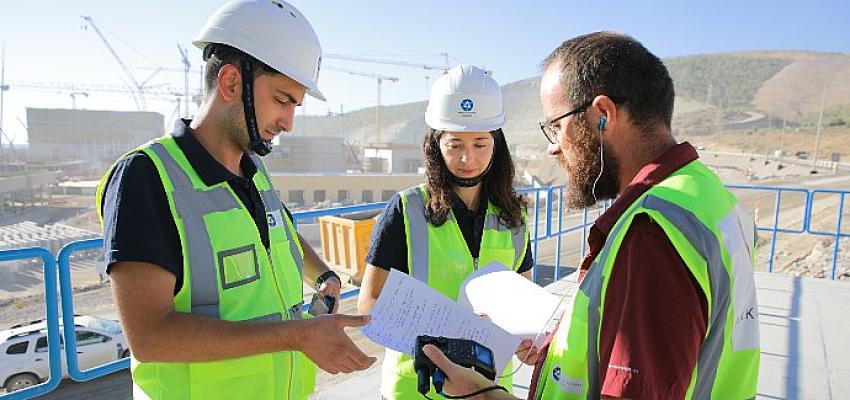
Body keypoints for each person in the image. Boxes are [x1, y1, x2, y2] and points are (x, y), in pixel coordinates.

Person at [424, 32, 760, 400]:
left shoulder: (651, 234)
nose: (553, 147)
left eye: (556, 125)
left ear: (602, 115)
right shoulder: (707, 195)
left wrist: (486, 395)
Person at [95, 1, 376, 399]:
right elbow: (150, 335)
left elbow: (280, 232)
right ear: (230, 83)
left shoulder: (255, 170)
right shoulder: (146, 178)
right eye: (282, 100)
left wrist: (324, 277)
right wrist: (298, 336)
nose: (288, 122)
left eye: (295, 105)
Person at [357, 64, 536, 399]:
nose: (468, 158)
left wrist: (528, 344)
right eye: (454, 144)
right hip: (419, 388)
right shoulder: (406, 210)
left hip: (491, 389)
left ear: (497, 145)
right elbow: (369, 304)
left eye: (481, 144)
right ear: (435, 144)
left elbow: (524, 310)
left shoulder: (514, 217)